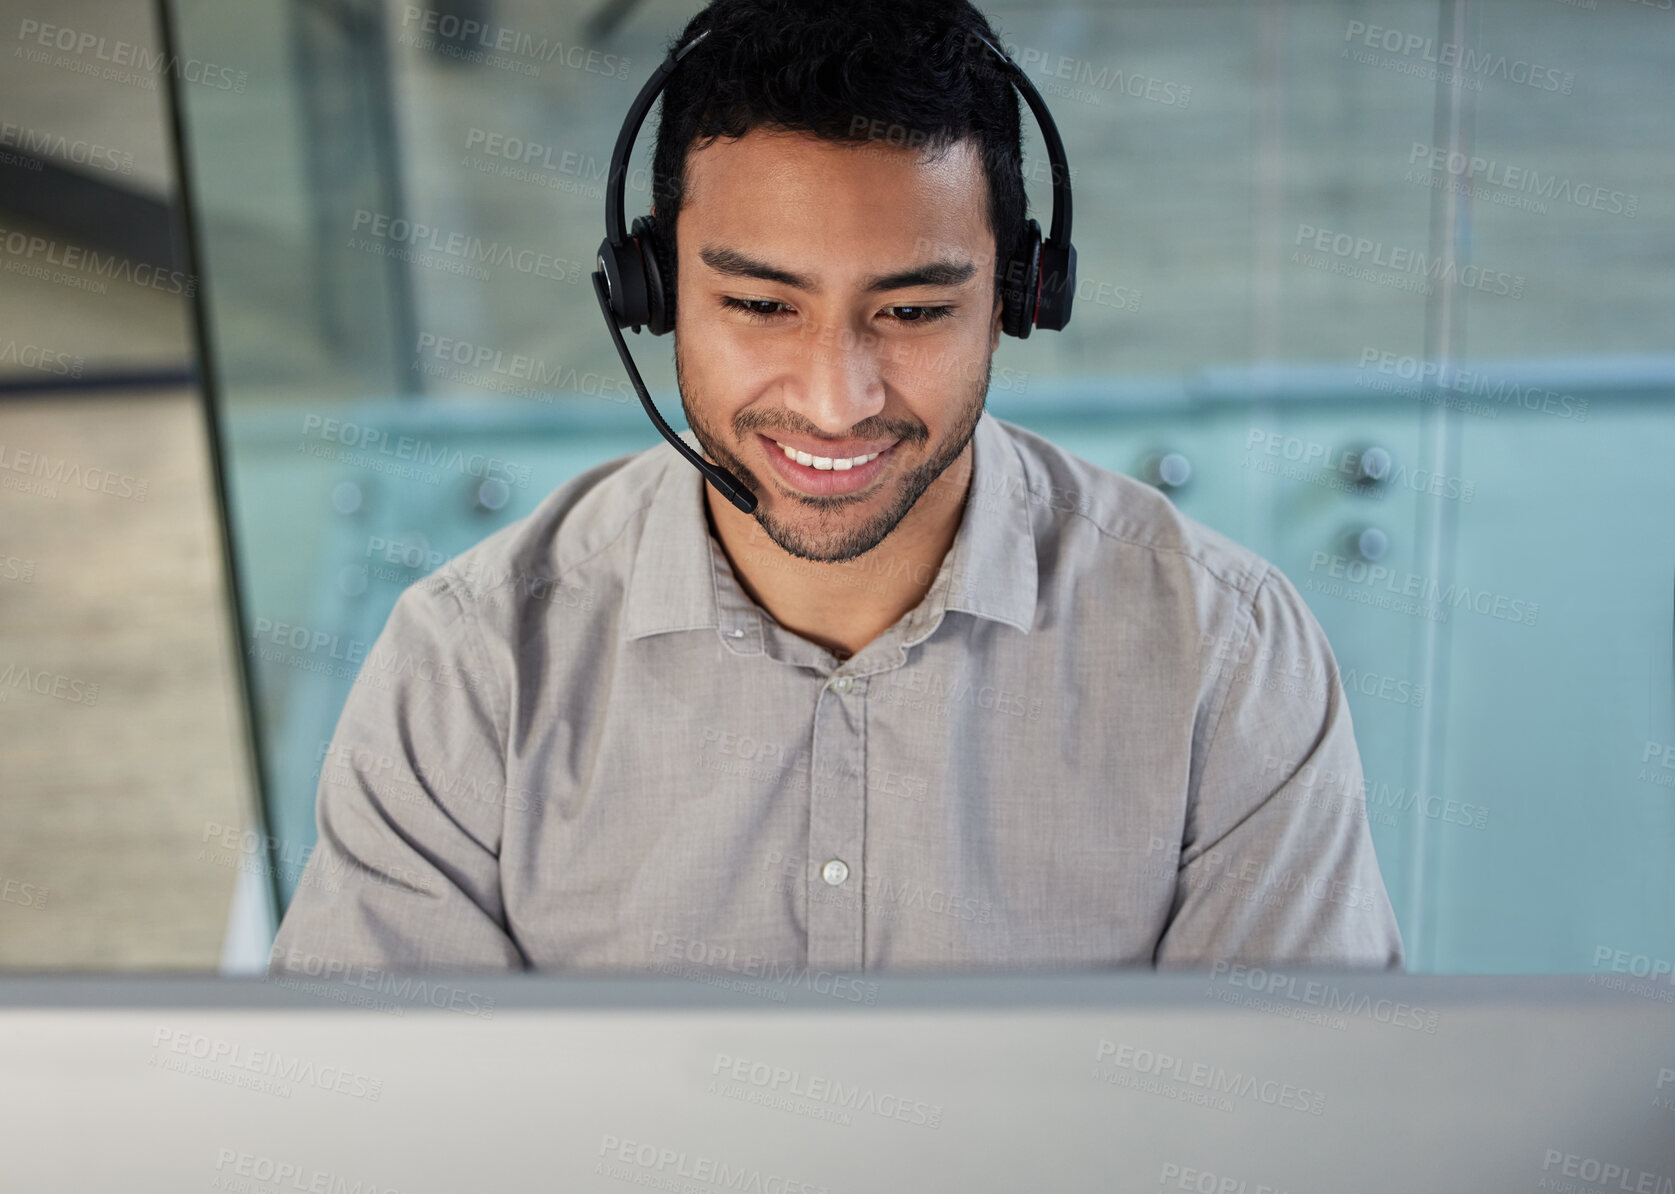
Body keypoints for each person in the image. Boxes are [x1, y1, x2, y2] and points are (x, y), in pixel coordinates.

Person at [268, 0, 1403, 981]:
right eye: (761, 306)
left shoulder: (1224, 659)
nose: (834, 399)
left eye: (911, 311)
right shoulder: (474, 667)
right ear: (649, 289)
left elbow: (1301, 1127)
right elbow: (363, 1124)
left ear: (1019, 292)